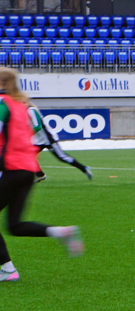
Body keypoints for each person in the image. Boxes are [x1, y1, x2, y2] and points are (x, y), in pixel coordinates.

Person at [0, 68, 84, 281]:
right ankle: (62, 232)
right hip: (27, 170)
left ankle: (8, 269)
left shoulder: (3, 104)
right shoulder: (22, 106)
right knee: (15, 225)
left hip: (9, 169)